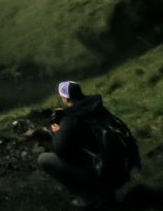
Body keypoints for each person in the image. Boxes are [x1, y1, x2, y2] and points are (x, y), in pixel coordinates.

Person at [38, 80, 140, 208]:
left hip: (102, 172)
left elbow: (61, 150)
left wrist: (57, 133)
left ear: (65, 98)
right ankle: (104, 192)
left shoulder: (72, 117)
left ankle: (95, 198)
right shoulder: (96, 107)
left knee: (44, 159)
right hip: (121, 168)